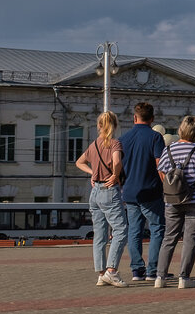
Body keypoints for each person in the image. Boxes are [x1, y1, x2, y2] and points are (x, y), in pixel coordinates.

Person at [153, 115, 195, 289]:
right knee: (190, 239)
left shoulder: (168, 150)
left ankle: (160, 277)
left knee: (169, 238)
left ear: (180, 130)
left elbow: (162, 174)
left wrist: (173, 189)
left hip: (171, 201)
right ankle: (184, 278)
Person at [75, 111, 129, 287]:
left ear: (99, 126)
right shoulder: (114, 143)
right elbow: (117, 161)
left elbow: (79, 162)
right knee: (121, 229)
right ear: (115, 125)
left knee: (100, 234)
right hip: (109, 190)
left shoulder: (94, 144)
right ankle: (111, 270)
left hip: (95, 192)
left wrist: (93, 173)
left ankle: (100, 274)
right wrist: (115, 174)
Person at [119, 101, 166, 282]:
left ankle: (137, 270)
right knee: (157, 229)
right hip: (151, 191)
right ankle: (152, 270)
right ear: (152, 119)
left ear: (134, 117)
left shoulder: (123, 139)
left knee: (134, 231)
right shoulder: (155, 137)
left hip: (130, 192)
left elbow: (118, 166)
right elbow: (159, 164)